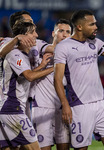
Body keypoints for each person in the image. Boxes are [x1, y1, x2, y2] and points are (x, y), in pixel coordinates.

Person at [54, 9, 104, 150]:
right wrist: (65, 104)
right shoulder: (63, 47)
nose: (96, 27)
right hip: (80, 105)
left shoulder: (95, 43)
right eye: (92, 24)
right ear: (80, 26)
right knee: (81, 148)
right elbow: (57, 80)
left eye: (95, 24)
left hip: (101, 104)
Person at [0, 21, 53, 150]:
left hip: (7, 110)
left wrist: (41, 67)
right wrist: (55, 68)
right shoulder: (15, 54)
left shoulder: (21, 55)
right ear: (23, 37)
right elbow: (29, 76)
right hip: (13, 109)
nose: (36, 35)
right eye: (32, 32)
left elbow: (24, 75)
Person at [32, 19, 72, 150]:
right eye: (61, 31)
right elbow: (29, 76)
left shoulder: (71, 58)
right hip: (42, 108)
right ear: (53, 33)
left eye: (68, 32)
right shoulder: (40, 50)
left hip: (62, 109)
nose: (65, 35)